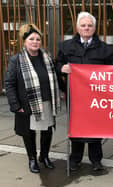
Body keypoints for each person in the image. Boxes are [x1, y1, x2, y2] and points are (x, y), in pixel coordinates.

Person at [56, 11, 113, 172]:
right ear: (77, 27)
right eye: (83, 25)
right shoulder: (66, 46)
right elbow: (56, 66)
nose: (87, 28)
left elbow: (112, 71)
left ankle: (96, 160)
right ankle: (75, 159)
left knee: (96, 128)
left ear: (94, 28)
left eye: (90, 25)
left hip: (96, 97)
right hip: (75, 96)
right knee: (76, 128)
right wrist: (62, 68)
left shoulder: (105, 49)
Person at [5, 24, 61, 173]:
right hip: (28, 104)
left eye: (38, 39)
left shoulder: (46, 58)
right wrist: (15, 106)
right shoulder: (16, 60)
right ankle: (32, 159)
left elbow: (56, 76)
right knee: (29, 132)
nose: (35, 42)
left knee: (47, 130)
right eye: (31, 39)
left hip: (47, 101)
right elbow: (9, 84)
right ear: (24, 41)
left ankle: (44, 156)